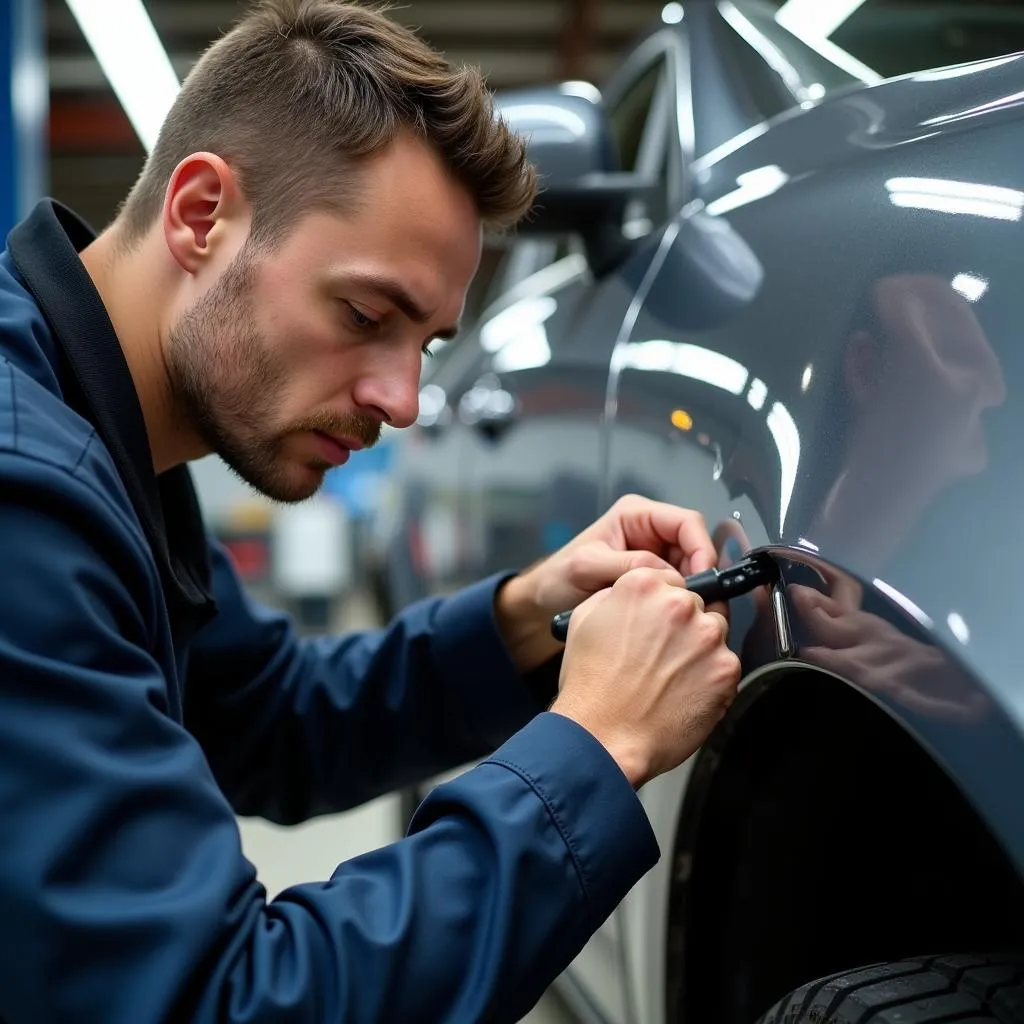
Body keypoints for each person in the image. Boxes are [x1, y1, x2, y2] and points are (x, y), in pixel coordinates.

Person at [0, 2, 741, 1021]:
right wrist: (597, 746)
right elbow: (214, 1003)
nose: (401, 400)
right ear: (201, 212)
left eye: (427, 344)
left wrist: (529, 613)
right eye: (362, 315)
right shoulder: (23, 495)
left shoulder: (109, 436)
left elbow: (267, 718)